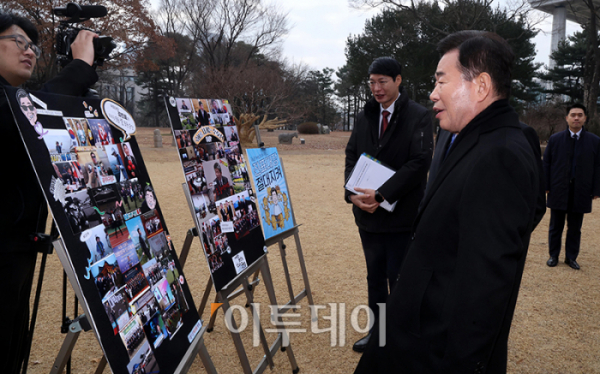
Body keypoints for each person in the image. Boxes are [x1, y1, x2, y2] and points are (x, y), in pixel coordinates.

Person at [355, 31, 539, 373]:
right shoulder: (468, 137)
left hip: (435, 346)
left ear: (481, 86)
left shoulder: (500, 155)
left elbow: (484, 293)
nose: (432, 93)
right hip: (418, 325)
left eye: (441, 81)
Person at [344, 56, 433, 353]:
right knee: (374, 278)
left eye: (383, 81)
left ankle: (402, 338)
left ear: (398, 80)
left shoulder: (419, 115)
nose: (377, 88)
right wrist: (351, 194)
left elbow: (420, 163)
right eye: (372, 82)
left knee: (400, 279)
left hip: (401, 216)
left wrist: (382, 194)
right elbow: (351, 154)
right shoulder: (365, 115)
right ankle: (377, 333)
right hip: (367, 217)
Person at [543, 103, 600, 270]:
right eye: (573, 115)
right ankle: (553, 255)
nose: (576, 118)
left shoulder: (595, 141)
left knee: (575, 228)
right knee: (556, 226)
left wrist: (596, 189)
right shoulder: (555, 139)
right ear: (566, 118)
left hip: (581, 190)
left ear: (585, 119)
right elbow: (546, 164)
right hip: (558, 188)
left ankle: (571, 257)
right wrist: (546, 185)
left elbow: (598, 166)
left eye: (580, 115)